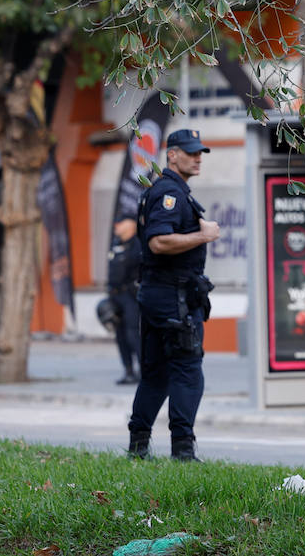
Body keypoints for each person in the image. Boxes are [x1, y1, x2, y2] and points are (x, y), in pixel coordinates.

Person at [127, 128, 220, 462]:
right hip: (173, 297)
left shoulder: (167, 190)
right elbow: (159, 241)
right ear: (172, 155)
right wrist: (202, 234)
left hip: (159, 294)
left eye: (200, 152)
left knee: (157, 373)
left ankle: (138, 447)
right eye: (191, 152)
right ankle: (183, 451)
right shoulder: (170, 193)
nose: (197, 157)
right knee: (186, 370)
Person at [107, 217, 142, 385]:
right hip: (116, 296)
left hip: (131, 296)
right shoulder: (115, 244)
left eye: (120, 223)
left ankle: (145, 371)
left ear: (131, 225)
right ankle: (128, 370)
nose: (116, 226)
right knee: (120, 335)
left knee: (133, 334)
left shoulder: (138, 245)